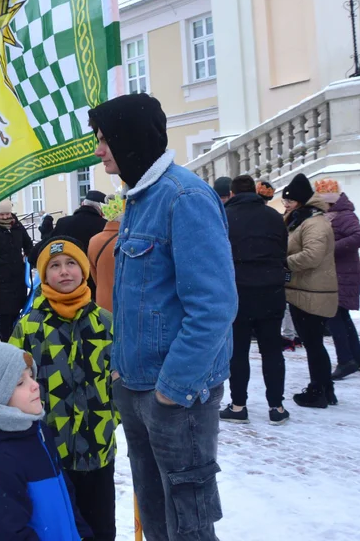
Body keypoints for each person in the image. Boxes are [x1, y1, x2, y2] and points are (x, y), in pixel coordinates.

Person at [88, 93, 237, 540]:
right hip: (136, 389)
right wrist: (120, 370)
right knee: (154, 516)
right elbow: (136, 299)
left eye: (104, 139)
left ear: (130, 139)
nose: (99, 150)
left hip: (177, 398)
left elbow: (213, 306)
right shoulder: (138, 199)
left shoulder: (184, 197)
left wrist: (172, 389)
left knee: (187, 524)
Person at [10, 237, 117, 540]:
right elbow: (12, 387)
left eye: (71, 263)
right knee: (57, 528)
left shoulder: (106, 323)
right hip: (49, 450)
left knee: (100, 529)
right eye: (54, 266)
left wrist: (111, 419)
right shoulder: (29, 327)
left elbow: (121, 379)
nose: (64, 271)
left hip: (98, 449)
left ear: (84, 270)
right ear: (43, 276)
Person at [0, 343, 92, 541]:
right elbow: (6, 533)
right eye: (20, 383)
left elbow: (65, 497)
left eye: (31, 376)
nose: (35, 385)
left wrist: (82, 535)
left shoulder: (38, 432)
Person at [220, 175, 290, 425]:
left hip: (238, 291)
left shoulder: (226, 218)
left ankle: (239, 406)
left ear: (233, 192)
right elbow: (284, 249)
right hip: (271, 291)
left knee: (238, 352)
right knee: (272, 350)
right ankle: (277, 406)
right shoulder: (273, 216)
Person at [281, 173, 339, 409]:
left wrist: (284, 262)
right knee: (314, 343)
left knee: (314, 344)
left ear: (302, 200)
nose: (285, 204)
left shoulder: (314, 222)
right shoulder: (302, 219)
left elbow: (312, 256)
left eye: (290, 201)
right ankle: (324, 388)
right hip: (305, 289)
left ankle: (319, 391)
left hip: (312, 291)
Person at [313, 179, 360, 380]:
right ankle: (359, 359)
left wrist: (331, 248)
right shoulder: (329, 216)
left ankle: (346, 361)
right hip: (336, 274)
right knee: (342, 318)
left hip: (341, 275)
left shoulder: (343, 216)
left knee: (335, 317)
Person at [0, 199, 34, 341]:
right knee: (4, 315)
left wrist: (32, 258)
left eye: (7, 214)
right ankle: (6, 344)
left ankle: (17, 343)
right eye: (1, 214)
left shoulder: (17, 226)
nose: (5, 217)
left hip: (17, 277)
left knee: (17, 312)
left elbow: (28, 244)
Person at [88, 194, 124, 314]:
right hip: (127, 306)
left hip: (103, 305)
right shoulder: (129, 240)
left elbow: (94, 276)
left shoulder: (94, 241)